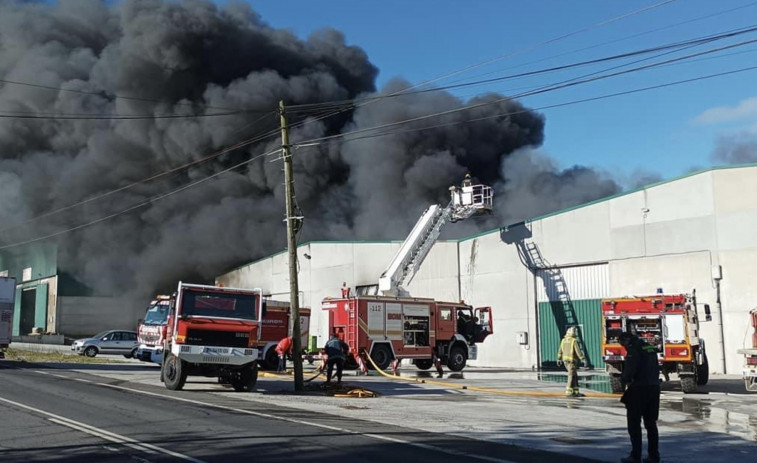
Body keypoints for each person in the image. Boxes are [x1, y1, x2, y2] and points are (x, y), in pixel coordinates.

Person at [618, 331, 661, 463]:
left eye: (622, 344)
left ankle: (635, 456)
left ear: (626, 340)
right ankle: (654, 456)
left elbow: (630, 369)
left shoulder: (633, 349)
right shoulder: (649, 347)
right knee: (651, 424)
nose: (624, 347)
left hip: (639, 389)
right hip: (654, 388)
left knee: (634, 424)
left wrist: (624, 379)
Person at [556, 326, 585, 397]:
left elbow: (560, 350)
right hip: (571, 361)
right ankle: (568, 391)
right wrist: (583, 359)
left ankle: (576, 391)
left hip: (565, 361)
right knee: (571, 375)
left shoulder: (563, 340)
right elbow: (578, 351)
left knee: (574, 375)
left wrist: (559, 359)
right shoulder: (574, 341)